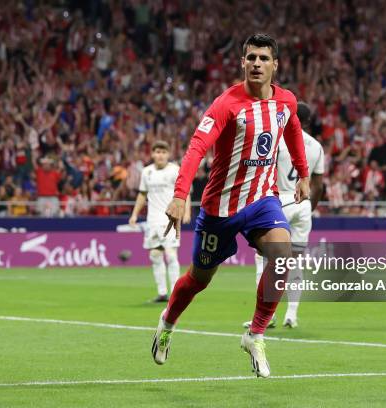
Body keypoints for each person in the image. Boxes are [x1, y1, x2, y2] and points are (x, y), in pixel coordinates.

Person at [151, 33, 310, 378]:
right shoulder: (226, 104)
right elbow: (196, 147)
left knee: (283, 257)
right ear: (242, 63)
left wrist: (303, 173)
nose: (257, 64)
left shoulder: (286, 102)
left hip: (262, 202)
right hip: (220, 209)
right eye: (251, 57)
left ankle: (254, 335)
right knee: (198, 280)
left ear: (275, 65)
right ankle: (167, 323)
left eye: (264, 58)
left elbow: (293, 130)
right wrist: (180, 195)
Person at [244, 102, 324, 329]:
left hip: (280, 202)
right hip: (303, 205)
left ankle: (266, 317)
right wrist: (309, 206)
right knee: (295, 260)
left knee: (265, 258)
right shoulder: (317, 146)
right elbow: (318, 184)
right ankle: (292, 314)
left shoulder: (279, 139)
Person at [129, 141, 191, 302]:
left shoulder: (175, 170)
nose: (160, 155)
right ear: (152, 154)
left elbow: (186, 192)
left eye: (163, 152)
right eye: (157, 152)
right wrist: (134, 214)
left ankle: (177, 293)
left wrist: (186, 211)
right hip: (152, 221)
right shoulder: (147, 172)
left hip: (170, 218)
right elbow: (142, 195)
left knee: (170, 255)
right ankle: (162, 293)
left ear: (168, 154)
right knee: (155, 255)